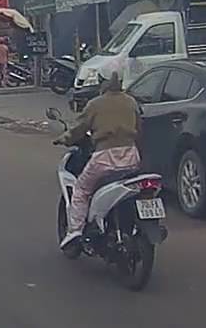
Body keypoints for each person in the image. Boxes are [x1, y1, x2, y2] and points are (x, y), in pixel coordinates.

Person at [54, 72, 142, 250]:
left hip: (105, 157)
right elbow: (139, 127)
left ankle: (75, 231)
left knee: (81, 190)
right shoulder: (131, 102)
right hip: (131, 156)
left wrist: (65, 138)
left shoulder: (95, 104)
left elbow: (79, 129)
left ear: (103, 85)